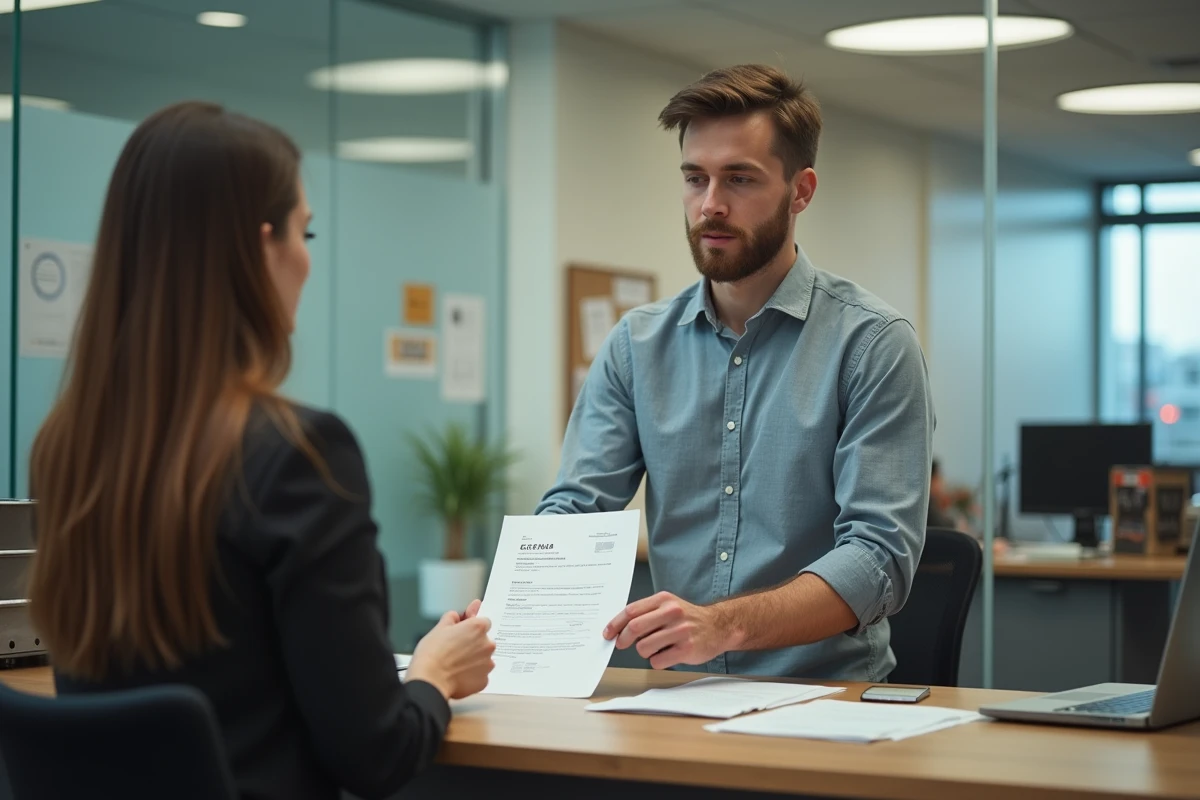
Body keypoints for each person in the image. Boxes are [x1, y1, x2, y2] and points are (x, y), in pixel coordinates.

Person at [26, 101, 494, 800]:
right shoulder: (299, 456)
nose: (307, 259)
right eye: (305, 231)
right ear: (259, 247)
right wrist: (434, 673)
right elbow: (376, 754)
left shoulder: (66, 451)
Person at [537, 65, 934, 682]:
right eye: (695, 178)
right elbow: (575, 509)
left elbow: (877, 558)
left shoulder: (872, 344)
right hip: (677, 696)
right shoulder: (636, 345)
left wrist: (722, 625)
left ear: (801, 191)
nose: (710, 205)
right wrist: (517, 601)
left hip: (826, 701)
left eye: (739, 179)